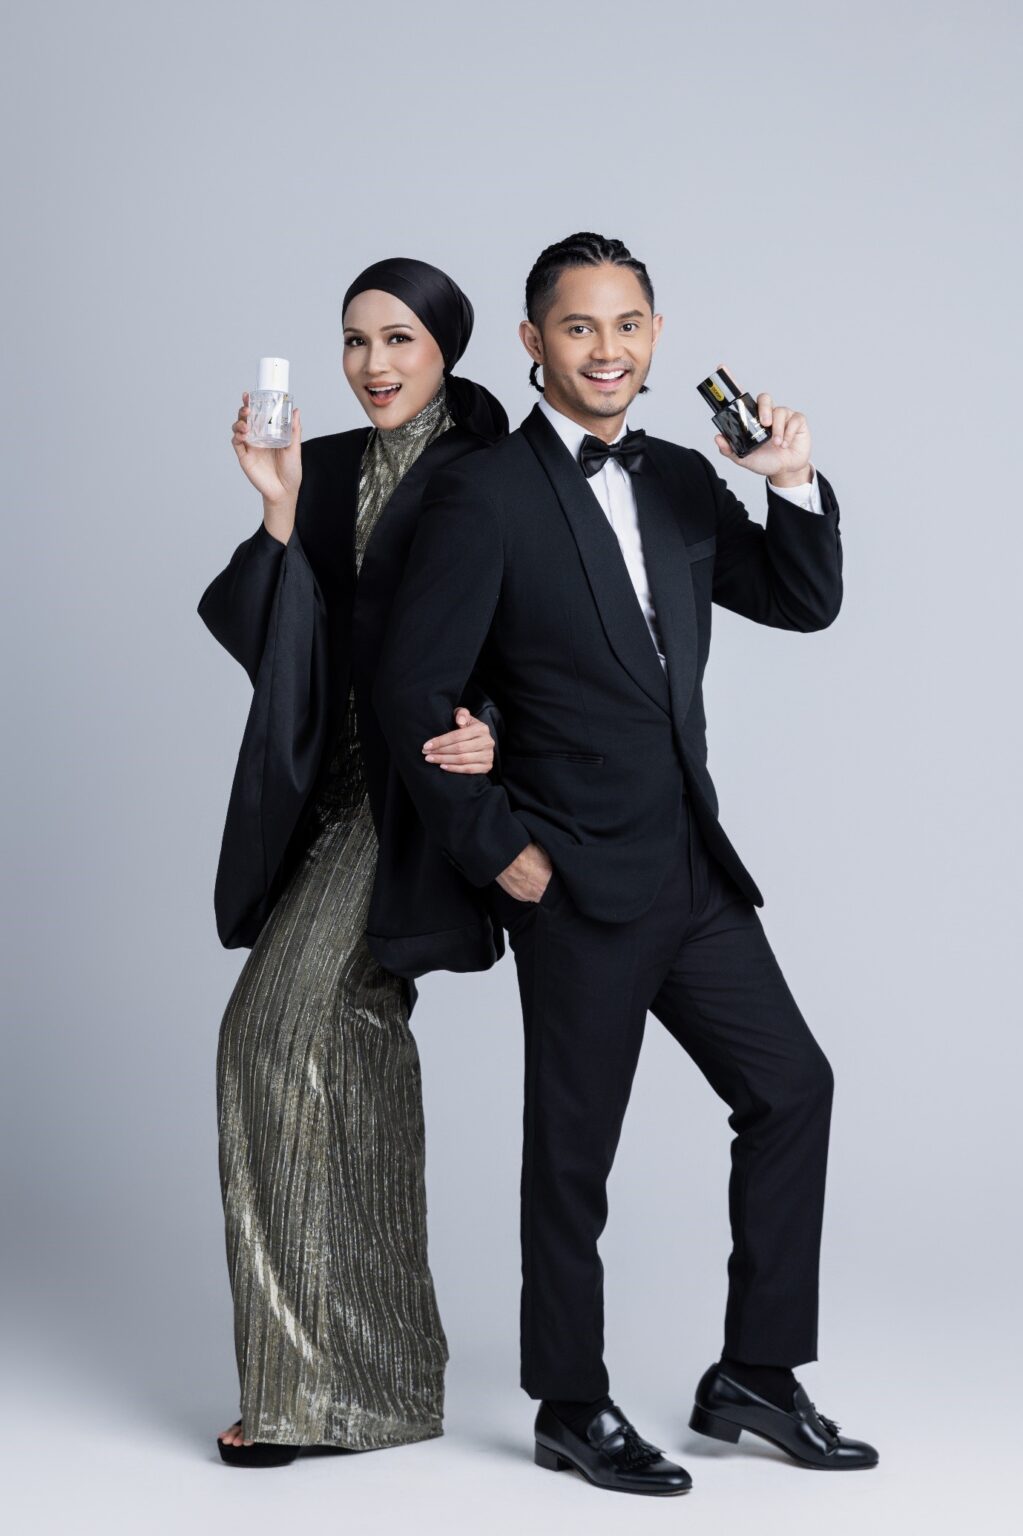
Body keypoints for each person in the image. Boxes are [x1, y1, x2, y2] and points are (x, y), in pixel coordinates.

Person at [373, 232, 879, 1495]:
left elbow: (801, 600)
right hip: (573, 876)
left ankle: (756, 1374)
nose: (609, 349)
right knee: (574, 1156)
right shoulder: (484, 494)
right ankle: (572, 1403)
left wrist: (792, 481)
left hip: (692, 868)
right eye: (581, 326)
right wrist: (503, 853)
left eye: (630, 324)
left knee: (793, 1091)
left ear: (655, 337)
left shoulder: (679, 478)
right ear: (534, 341)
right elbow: (411, 690)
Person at [197, 258, 509, 1467]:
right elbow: (270, 639)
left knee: (275, 1034)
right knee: (341, 1056)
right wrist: (278, 511)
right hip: (323, 796)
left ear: (447, 348)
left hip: (414, 796)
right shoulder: (321, 464)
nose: (373, 364)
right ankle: (378, 1388)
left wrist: (500, 731)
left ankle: (318, 1396)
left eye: (399, 339)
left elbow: (541, 626)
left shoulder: (492, 467)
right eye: (353, 341)